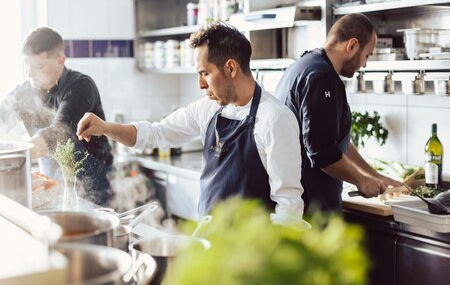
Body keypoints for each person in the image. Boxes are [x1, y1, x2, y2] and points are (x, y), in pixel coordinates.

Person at [77, 22, 307, 226]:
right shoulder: (208, 109)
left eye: (205, 73)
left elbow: (288, 205)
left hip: (249, 253)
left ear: (231, 68)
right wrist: (105, 128)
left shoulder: (275, 119)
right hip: (208, 243)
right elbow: (155, 134)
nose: (200, 84)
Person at [274, 13, 404, 213]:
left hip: (302, 199)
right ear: (352, 45)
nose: (364, 65)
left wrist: (374, 176)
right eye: (367, 55)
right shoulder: (321, 77)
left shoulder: (304, 65)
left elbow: (334, 142)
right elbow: (323, 153)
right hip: (311, 205)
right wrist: (361, 180)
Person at [0, 27, 113, 206]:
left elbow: (60, 133)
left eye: (38, 66)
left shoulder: (81, 86)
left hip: (93, 190)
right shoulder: (23, 92)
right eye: (26, 65)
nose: (29, 73)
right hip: (51, 188)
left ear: (60, 60)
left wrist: (12, 160)